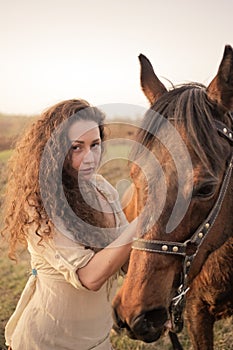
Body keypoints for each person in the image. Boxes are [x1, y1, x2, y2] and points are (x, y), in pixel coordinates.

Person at [2, 99, 137, 350]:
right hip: (47, 341)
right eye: (77, 148)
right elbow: (89, 277)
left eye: (95, 145)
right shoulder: (39, 204)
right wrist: (141, 224)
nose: (90, 158)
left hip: (98, 341)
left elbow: (126, 258)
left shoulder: (103, 190)